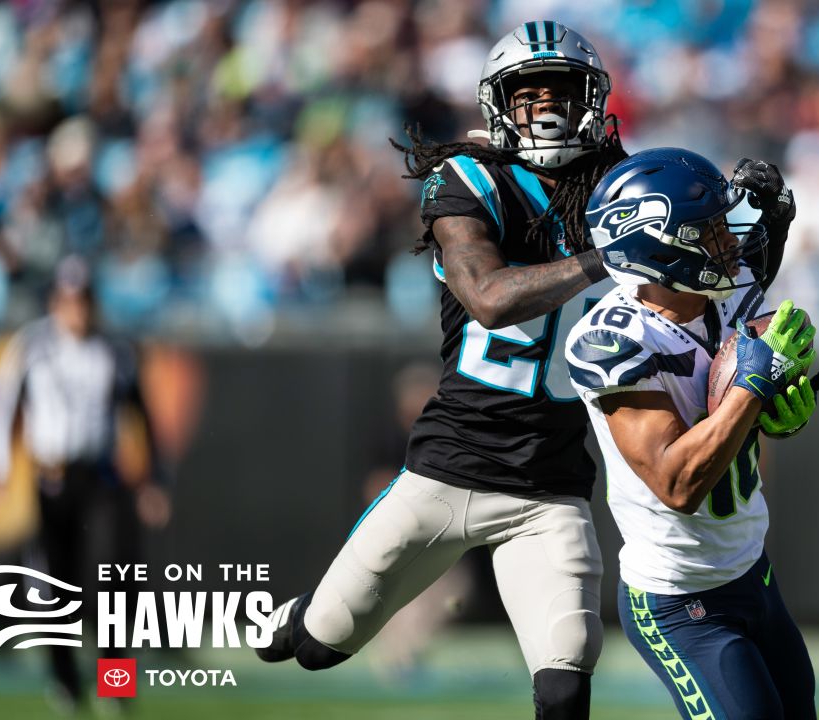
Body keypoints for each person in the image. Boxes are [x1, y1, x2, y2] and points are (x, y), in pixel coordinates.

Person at [257, 21, 627, 718]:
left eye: (561, 91)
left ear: (593, 100)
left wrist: (756, 223)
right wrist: (605, 256)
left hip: (550, 488)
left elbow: (704, 256)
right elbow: (488, 299)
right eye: (528, 94)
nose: (545, 108)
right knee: (318, 646)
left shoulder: (620, 186)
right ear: (499, 105)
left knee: (568, 674)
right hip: (445, 469)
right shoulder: (466, 178)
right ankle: (304, 614)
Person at [565, 148, 819, 719]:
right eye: (707, 232)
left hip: (752, 568)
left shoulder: (726, 290)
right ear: (657, 245)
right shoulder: (610, 340)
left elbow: (746, 398)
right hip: (681, 599)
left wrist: (777, 412)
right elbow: (678, 484)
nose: (727, 243)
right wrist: (753, 389)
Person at [0, 256, 170, 709]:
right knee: (55, 583)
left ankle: (116, 680)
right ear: (54, 303)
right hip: (53, 478)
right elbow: (3, 410)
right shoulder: (33, 347)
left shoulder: (114, 350)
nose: (77, 311)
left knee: (115, 575)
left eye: (83, 301)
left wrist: (154, 480)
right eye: (69, 301)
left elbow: (141, 415)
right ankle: (64, 678)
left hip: (101, 476)